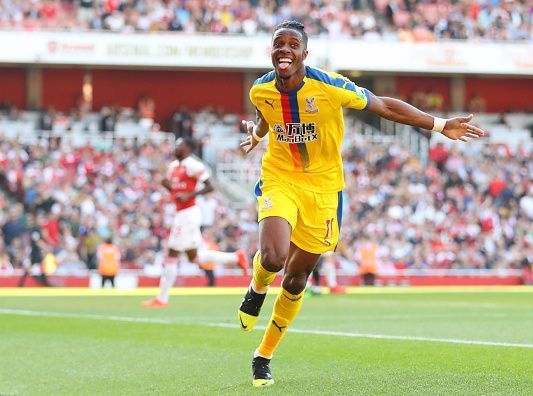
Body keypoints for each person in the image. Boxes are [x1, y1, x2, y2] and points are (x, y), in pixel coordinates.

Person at [237, 20, 485, 387]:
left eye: (293, 45)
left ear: (305, 54)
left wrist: (438, 124)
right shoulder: (261, 89)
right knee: (273, 257)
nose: (284, 50)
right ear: (272, 51)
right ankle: (257, 288)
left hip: (323, 189)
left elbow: (383, 105)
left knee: (296, 277)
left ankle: (263, 355)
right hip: (281, 177)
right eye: (279, 44)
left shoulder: (330, 86)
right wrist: (257, 136)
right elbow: (265, 117)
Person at [142, 137, 248, 308]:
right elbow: (177, 191)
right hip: (181, 213)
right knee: (194, 257)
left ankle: (162, 298)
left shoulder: (193, 165)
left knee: (172, 253)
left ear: (189, 148)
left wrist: (190, 195)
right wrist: (167, 186)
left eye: (180, 145)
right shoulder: (172, 167)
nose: (177, 147)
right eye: (176, 144)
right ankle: (235, 257)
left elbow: (210, 186)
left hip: (188, 214)